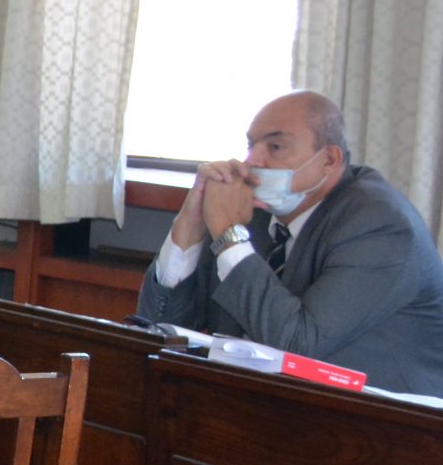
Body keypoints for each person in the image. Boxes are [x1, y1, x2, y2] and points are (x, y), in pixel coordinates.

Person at [137, 91, 443, 394]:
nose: (253, 161)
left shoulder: (380, 225)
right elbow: (158, 329)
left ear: (329, 159)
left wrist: (229, 234)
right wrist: (190, 225)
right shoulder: (250, 211)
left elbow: (297, 347)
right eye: (251, 145)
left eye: (276, 146)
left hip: (379, 417)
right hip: (265, 403)